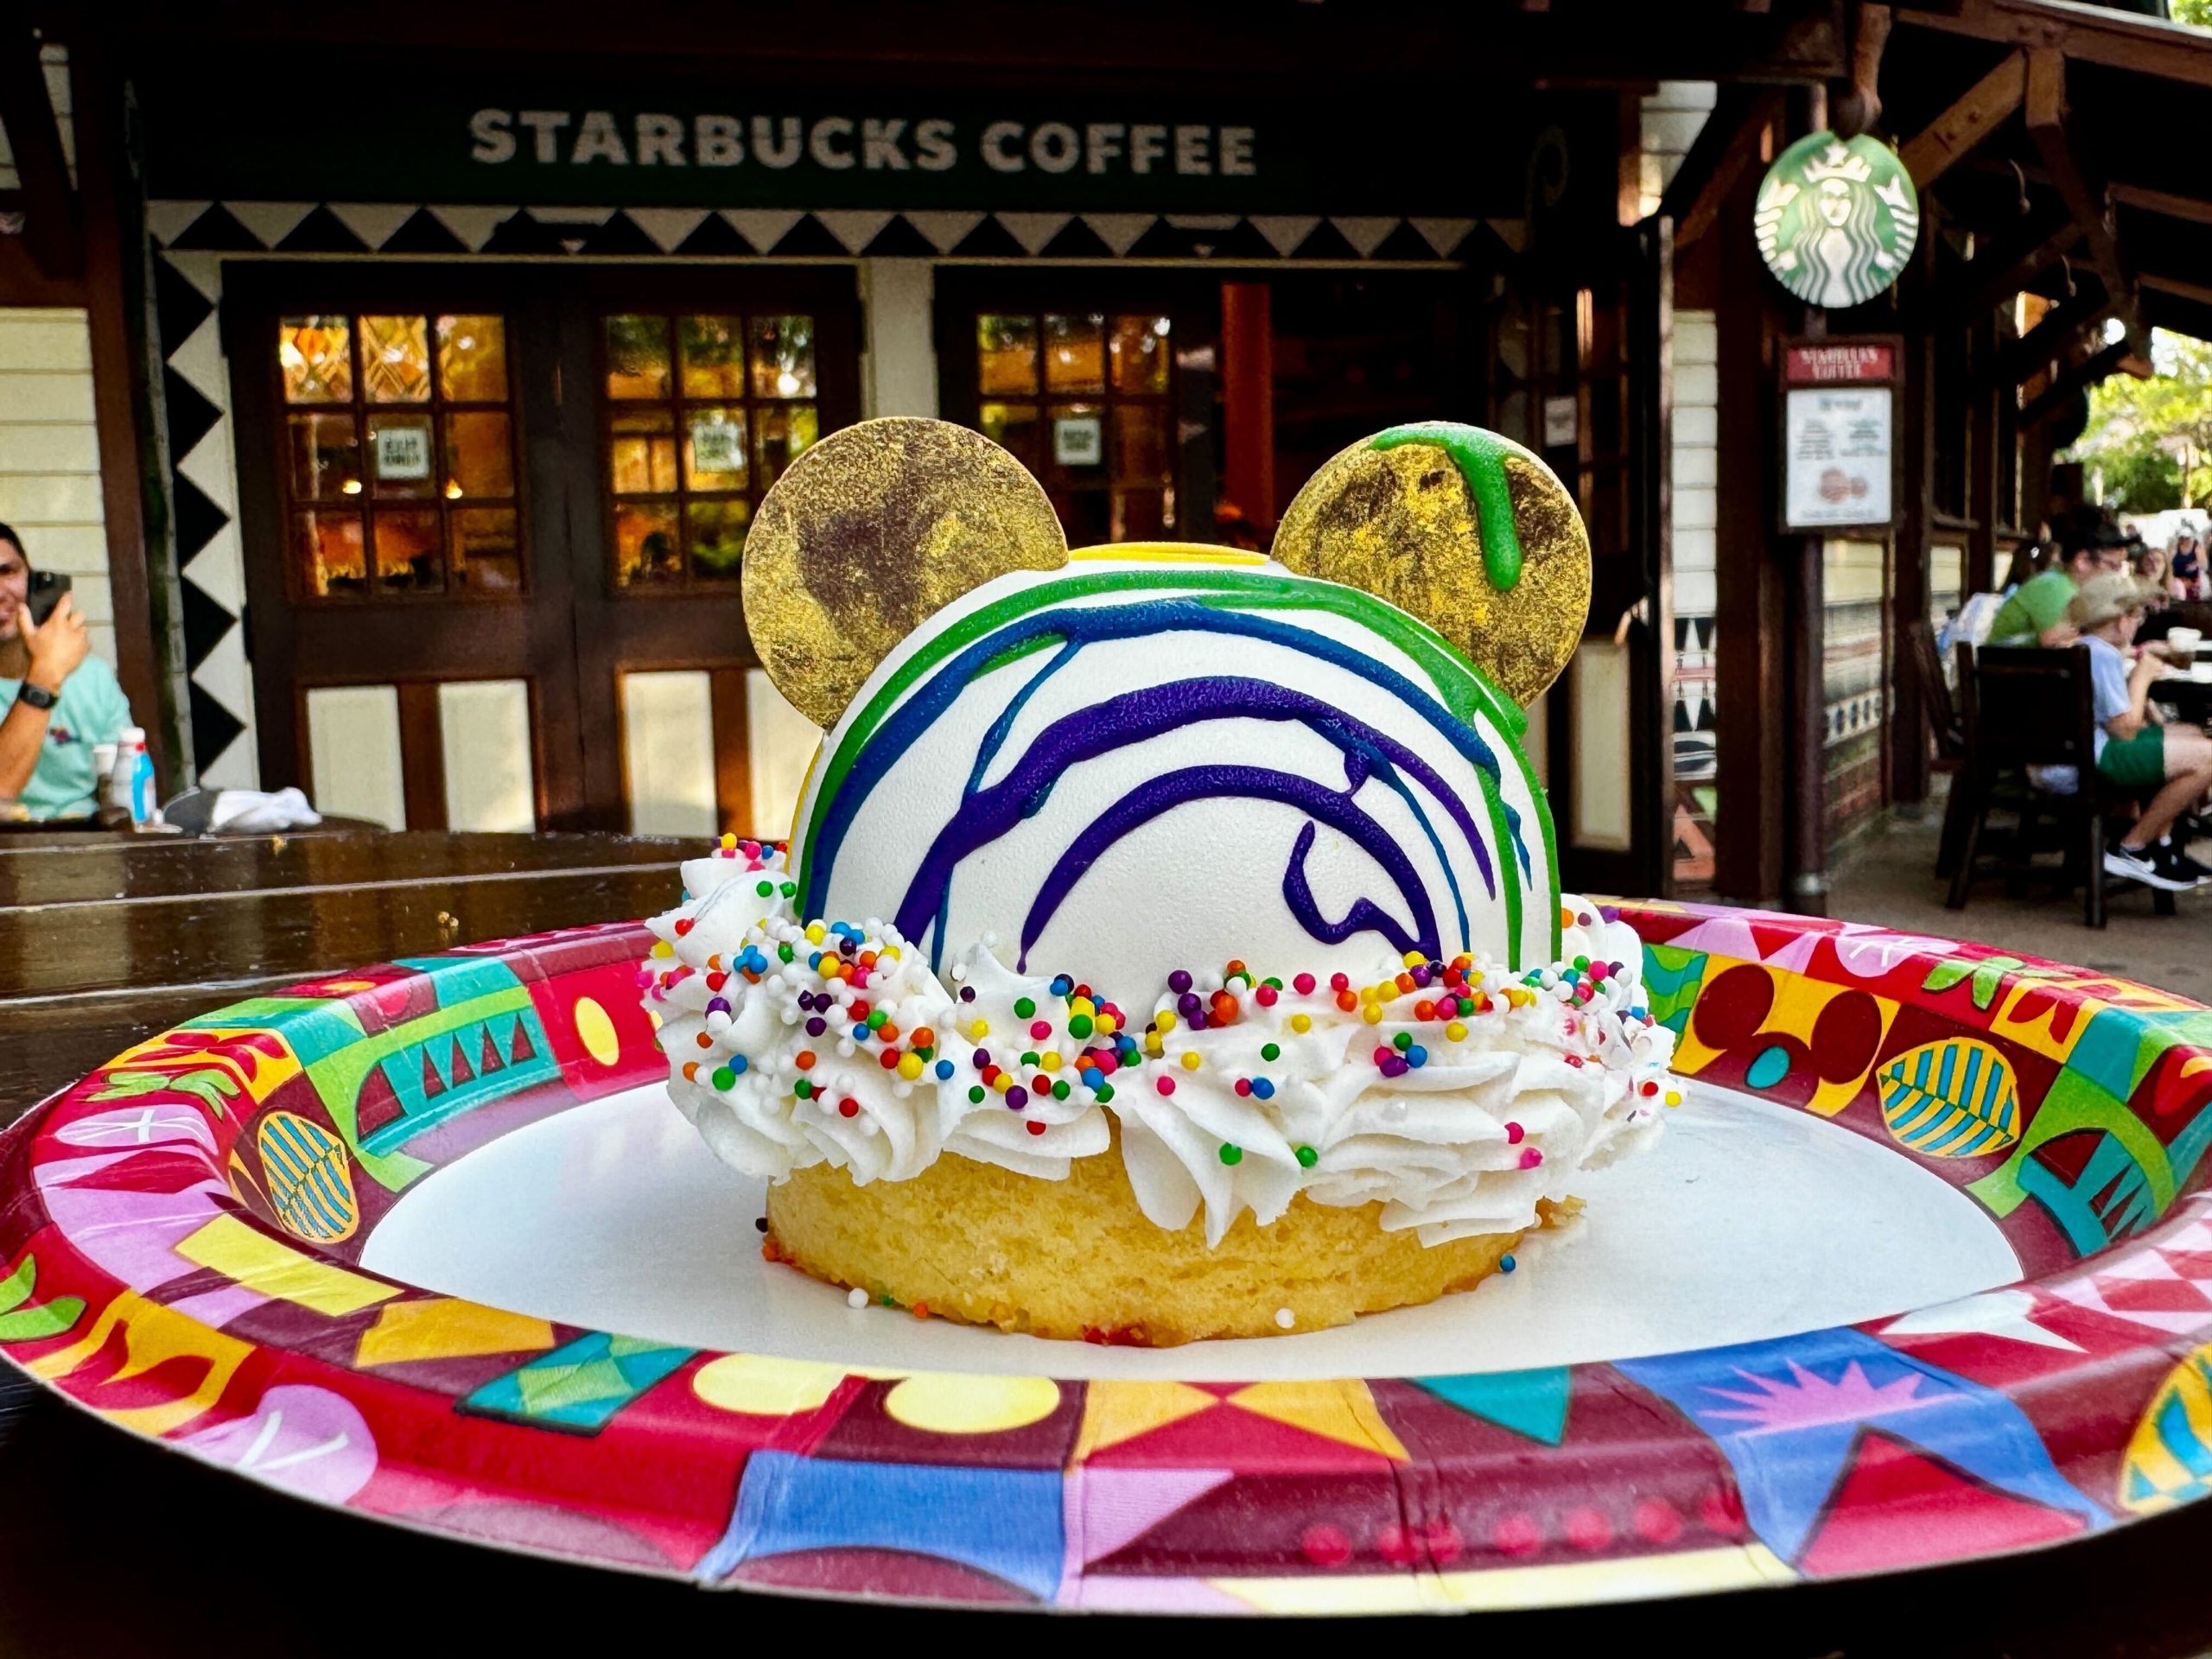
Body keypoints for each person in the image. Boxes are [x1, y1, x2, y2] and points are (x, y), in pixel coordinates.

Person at [2068, 572, 2212, 893]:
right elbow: (2125, 730)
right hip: (2092, 758)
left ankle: (2161, 845)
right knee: (2206, 758)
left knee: (2190, 736)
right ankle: (2131, 848)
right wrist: (2142, 677)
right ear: (2121, 620)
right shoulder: (2101, 654)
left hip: (2074, 751)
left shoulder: (2086, 647)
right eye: (2138, 615)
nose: (2138, 622)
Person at [0, 524, 135, 820]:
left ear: (31, 577)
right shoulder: (51, 675)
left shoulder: (93, 678)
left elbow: (128, 789)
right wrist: (46, 674)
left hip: (86, 844)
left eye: (7, 572)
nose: (0, 593)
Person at [1985, 518, 2129, 647]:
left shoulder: (2060, 582)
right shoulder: (2054, 588)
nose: (2116, 575)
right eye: (2112, 566)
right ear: (2082, 561)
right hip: (2006, 672)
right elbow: (2076, 645)